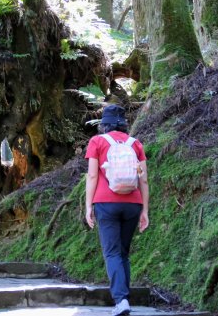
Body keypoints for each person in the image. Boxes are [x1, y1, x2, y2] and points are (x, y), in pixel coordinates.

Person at [84, 104, 150, 316]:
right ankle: (124, 299)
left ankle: (121, 301)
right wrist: (145, 211)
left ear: (105, 124)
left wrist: (88, 206)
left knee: (112, 252)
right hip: (133, 204)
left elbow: (93, 176)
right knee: (123, 253)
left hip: (106, 203)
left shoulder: (97, 141)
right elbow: (144, 179)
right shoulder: (135, 144)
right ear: (124, 123)